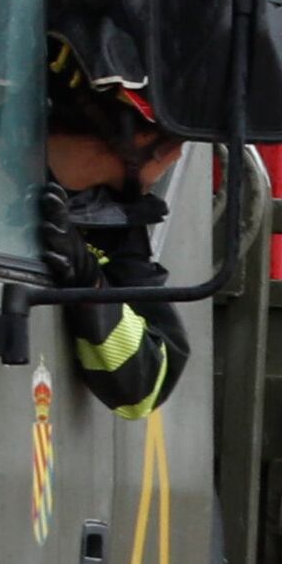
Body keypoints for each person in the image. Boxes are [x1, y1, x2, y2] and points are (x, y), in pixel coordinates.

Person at [40, 36, 190, 415]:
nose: (179, 153)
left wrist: (89, 285)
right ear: (139, 133)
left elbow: (146, 386)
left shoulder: (114, 223)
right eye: (176, 138)